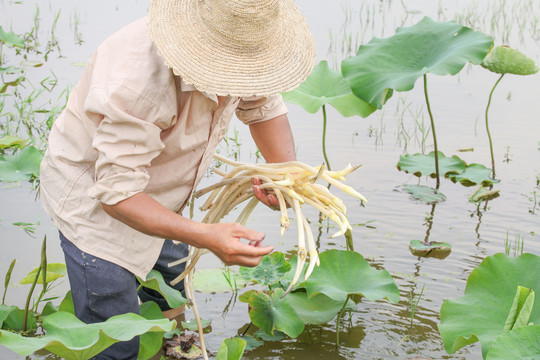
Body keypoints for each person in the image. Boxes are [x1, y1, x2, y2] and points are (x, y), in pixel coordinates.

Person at [39, 0, 315, 358]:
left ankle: (172, 347)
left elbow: (262, 106)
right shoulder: (139, 79)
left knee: (171, 300)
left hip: (161, 192)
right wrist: (207, 236)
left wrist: (283, 173)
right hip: (97, 204)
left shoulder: (244, 46)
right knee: (113, 340)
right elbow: (116, 195)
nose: (242, 79)